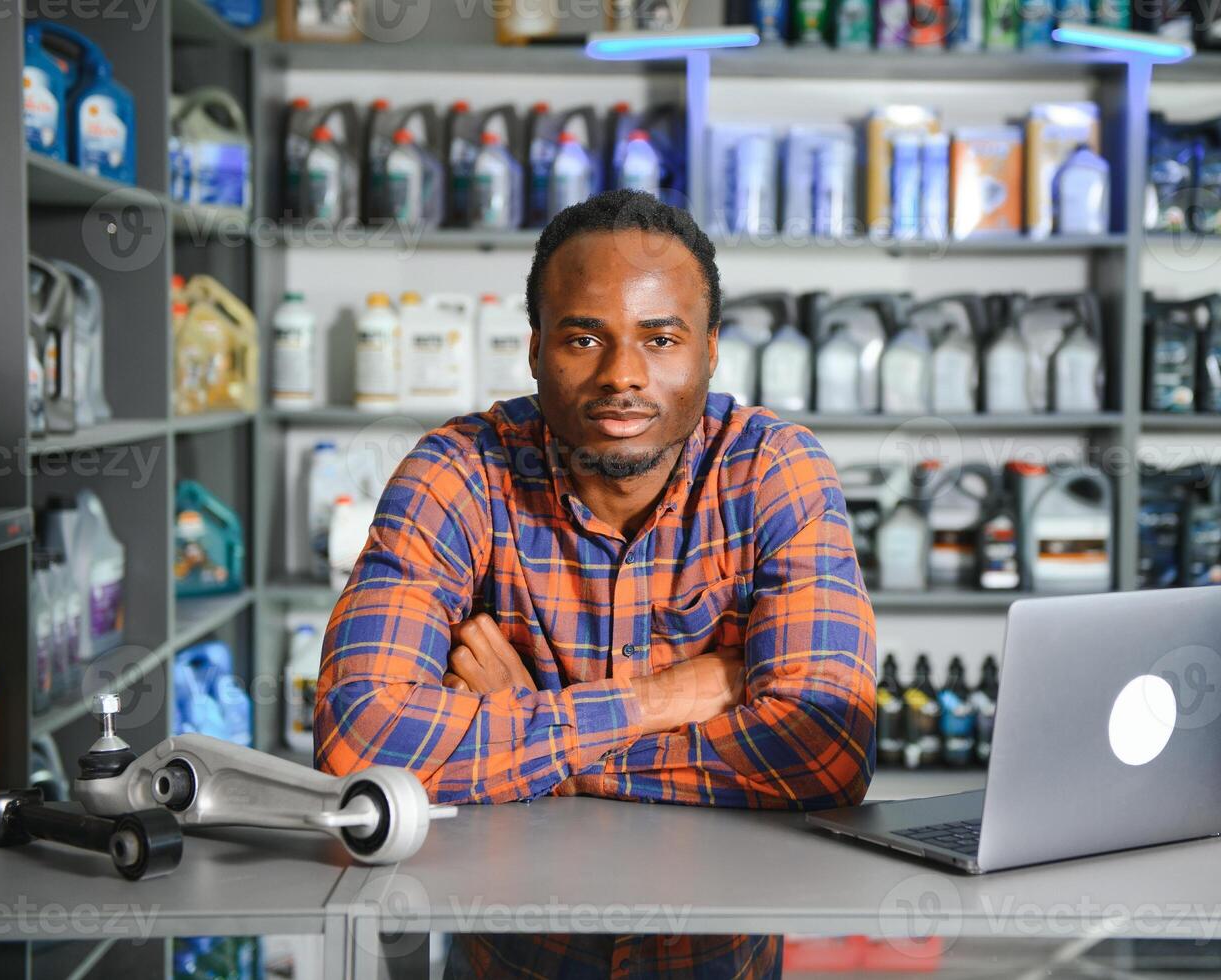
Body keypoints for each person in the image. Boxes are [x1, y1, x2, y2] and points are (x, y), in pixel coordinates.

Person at [316, 188, 878, 979]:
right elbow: (361, 744)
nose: (622, 375)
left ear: (710, 350)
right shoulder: (458, 473)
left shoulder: (771, 470)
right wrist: (659, 700)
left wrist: (524, 735)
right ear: (536, 348)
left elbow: (824, 751)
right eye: (584, 338)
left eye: (660, 338)